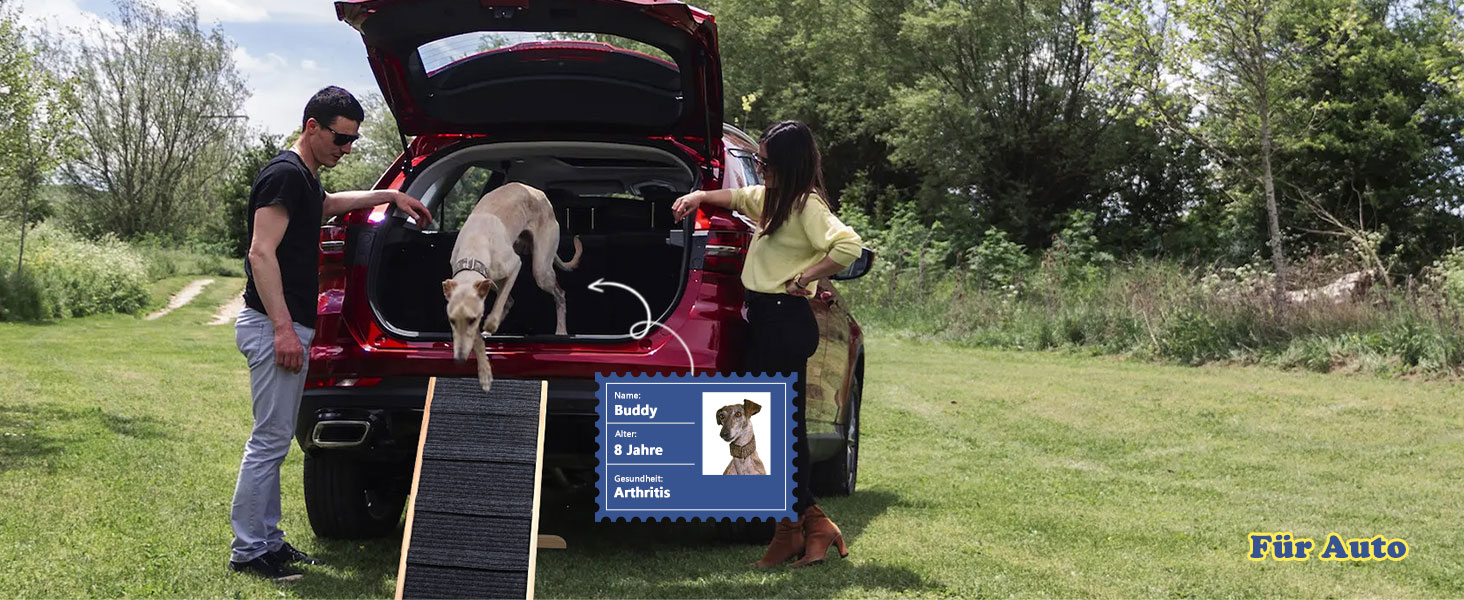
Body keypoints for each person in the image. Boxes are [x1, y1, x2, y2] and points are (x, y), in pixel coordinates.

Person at [229, 86, 431, 582]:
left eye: (353, 142)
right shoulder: (283, 174)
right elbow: (261, 252)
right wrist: (282, 329)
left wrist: (388, 195)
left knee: (273, 441)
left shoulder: (303, 178)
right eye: (340, 139)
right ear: (312, 126)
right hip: (272, 325)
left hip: (288, 325)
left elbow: (326, 206)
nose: (346, 149)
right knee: (268, 443)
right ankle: (249, 552)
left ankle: (271, 543)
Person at [671, 120, 863, 568]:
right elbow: (736, 197)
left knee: (777, 432)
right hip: (767, 320)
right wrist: (698, 196)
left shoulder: (806, 205)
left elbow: (849, 245)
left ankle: (806, 526)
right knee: (776, 431)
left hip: (784, 320)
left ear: (789, 165)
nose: (760, 167)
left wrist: (806, 277)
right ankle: (799, 529)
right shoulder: (775, 200)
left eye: (765, 162)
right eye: (757, 160)